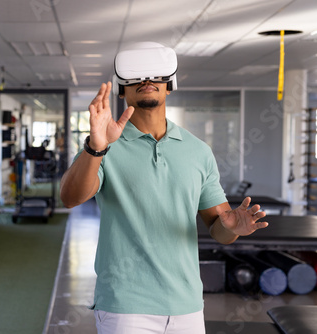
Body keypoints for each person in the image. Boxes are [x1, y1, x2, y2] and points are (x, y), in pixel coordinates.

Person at [59, 42, 268, 334]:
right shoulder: (104, 145)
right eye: (137, 76)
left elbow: (219, 230)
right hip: (125, 305)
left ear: (168, 85)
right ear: (122, 89)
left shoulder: (198, 151)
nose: (147, 81)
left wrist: (233, 227)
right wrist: (96, 147)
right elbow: (70, 198)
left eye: (156, 75)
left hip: (187, 304)